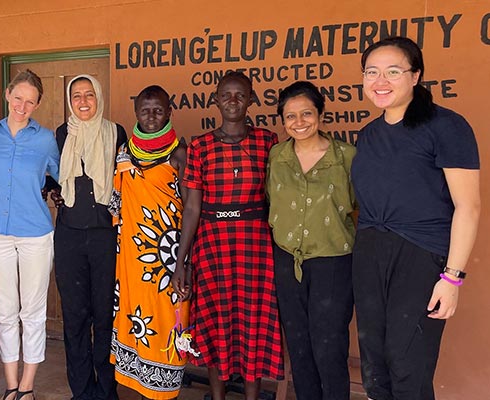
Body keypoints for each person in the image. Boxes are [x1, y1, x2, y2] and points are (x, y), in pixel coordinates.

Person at [351, 36, 480, 400]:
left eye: (393, 71)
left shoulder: (446, 127)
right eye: (371, 72)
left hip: (421, 257)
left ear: (415, 76)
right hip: (371, 253)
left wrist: (451, 279)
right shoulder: (368, 134)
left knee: (408, 367)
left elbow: (468, 207)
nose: (380, 81)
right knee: (375, 370)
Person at [172, 71, 283, 400]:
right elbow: (192, 208)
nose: (233, 101)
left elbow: (277, 196)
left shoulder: (268, 141)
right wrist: (182, 262)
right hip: (213, 247)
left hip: (256, 247)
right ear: (215, 100)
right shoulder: (201, 147)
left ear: (251, 100)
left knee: (254, 322)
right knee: (215, 322)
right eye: (226, 95)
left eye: (240, 95)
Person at [267, 81, 356, 400]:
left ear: (320, 114)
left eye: (306, 113)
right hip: (287, 262)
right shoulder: (277, 156)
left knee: (329, 347)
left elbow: (363, 208)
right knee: (300, 347)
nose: (299, 122)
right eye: (290, 116)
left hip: (332, 262)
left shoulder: (345, 156)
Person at [0, 69, 60, 400]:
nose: (22, 107)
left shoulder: (45, 139)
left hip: (35, 235)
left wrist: (50, 190)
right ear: (7, 95)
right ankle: (11, 385)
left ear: (37, 104)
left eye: (30, 102)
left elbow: (61, 174)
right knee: (5, 311)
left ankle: (27, 387)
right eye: (17, 98)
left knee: (32, 312)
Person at [108, 85, 189, 400]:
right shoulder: (125, 153)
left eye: (158, 110)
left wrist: (186, 262)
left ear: (169, 112)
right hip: (130, 258)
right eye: (145, 110)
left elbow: (191, 209)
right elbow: (116, 203)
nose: (152, 116)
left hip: (167, 259)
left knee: (166, 321)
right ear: (136, 113)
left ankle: (163, 393)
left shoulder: (179, 154)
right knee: (136, 319)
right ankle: (142, 389)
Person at [49, 75, 126, 400]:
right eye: (77, 95)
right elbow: (52, 174)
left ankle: (107, 392)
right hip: (68, 237)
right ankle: (82, 391)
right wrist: (53, 189)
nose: (83, 101)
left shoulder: (115, 132)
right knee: (75, 318)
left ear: (99, 97)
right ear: (70, 99)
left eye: (89, 94)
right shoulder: (62, 133)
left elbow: (127, 178)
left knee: (106, 317)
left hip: (105, 237)